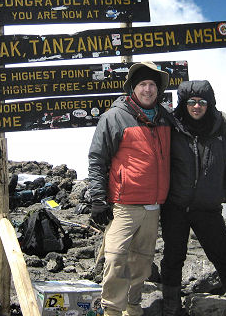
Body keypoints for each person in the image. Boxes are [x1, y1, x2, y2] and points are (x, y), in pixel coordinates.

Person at [160, 80, 226, 316]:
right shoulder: (171, 125)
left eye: (202, 102)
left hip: (208, 207)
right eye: (191, 102)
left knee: (223, 258)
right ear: (183, 103)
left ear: (209, 103)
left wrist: (224, 194)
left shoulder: (222, 125)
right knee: (173, 258)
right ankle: (171, 307)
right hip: (176, 206)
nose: (196, 107)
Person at [87, 61, 173, 316]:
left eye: (152, 85)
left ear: (158, 90)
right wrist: (98, 199)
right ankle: (112, 310)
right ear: (133, 89)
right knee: (115, 259)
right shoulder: (114, 117)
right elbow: (97, 159)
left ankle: (133, 308)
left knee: (142, 263)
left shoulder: (165, 118)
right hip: (123, 205)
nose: (148, 90)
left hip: (154, 206)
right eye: (143, 85)